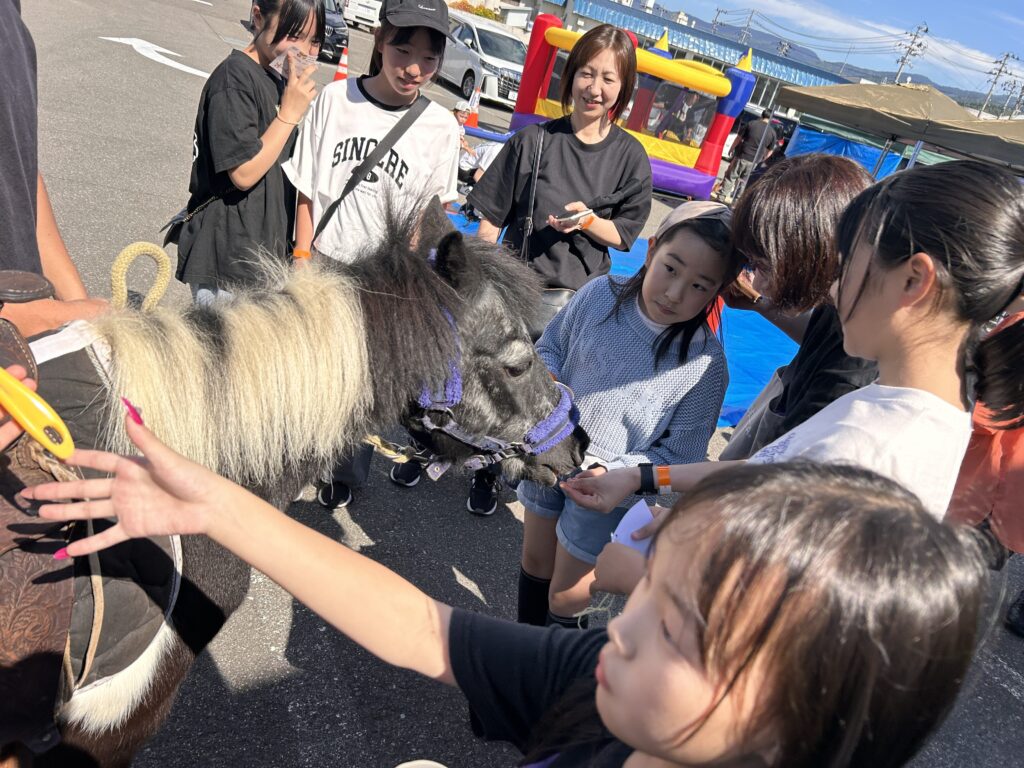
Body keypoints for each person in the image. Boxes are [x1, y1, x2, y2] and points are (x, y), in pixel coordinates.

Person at [26, 419, 989, 768]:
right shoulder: (606, 693)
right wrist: (217, 507)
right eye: (648, 593)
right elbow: (422, 627)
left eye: (678, 631)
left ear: (802, 721)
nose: (622, 629)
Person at [563, 160, 1024, 523]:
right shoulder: (891, 400)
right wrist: (641, 478)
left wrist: (669, 542)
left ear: (913, 280)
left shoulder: (866, 431)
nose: (835, 287)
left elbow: (774, 522)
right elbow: (768, 470)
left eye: (847, 263)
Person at [431, 24, 652, 514]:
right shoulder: (533, 141)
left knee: (549, 399)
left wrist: (589, 221)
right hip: (518, 295)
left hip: (581, 304)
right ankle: (475, 466)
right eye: (587, 73)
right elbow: (491, 217)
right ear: (571, 76)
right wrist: (475, 286)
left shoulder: (629, 157)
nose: (595, 88)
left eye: (609, 79)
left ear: (624, 89)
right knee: (494, 388)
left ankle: (538, 475)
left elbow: (626, 233)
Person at [515, 202, 738, 629]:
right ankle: (522, 652)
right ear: (651, 250)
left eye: (699, 286)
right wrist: (548, 379)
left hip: (608, 491)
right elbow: (552, 346)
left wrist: (614, 471)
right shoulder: (599, 294)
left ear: (717, 292)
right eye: (670, 269)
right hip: (545, 455)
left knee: (566, 597)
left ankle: (552, 666)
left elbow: (680, 456)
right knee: (535, 560)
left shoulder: (705, 365)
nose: (675, 293)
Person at [284, 0, 460, 509]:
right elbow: (307, 189)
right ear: (380, 41)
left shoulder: (440, 127)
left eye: (428, 58)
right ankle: (290, 462)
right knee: (309, 374)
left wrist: (412, 288)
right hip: (326, 265)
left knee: (363, 386)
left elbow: (429, 215)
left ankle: (342, 472)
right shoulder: (336, 99)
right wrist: (301, 257)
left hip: (385, 279)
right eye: (403, 50)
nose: (413, 68)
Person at [719, 155, 878, 461]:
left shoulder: (846, 383)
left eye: (764, 265)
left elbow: (772, 470)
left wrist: (650, 478)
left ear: (811, 254)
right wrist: (760, 305)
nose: (757, 282)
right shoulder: (845, 300)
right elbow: (819, 335)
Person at [174, 0, 323, 306]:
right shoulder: (234, 78)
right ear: (258, 17)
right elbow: (243, 172)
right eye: (294, 35)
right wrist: (289, 115)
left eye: (315, 41)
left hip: (262, 255)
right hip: (229, 260)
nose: (304, 51)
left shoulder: (277, 79)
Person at [1, 0, 106, 336]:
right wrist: (18, 313)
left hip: (22, 336)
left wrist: (80, 311)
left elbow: (19, 172)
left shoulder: (9, 15)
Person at [947, 292, 1024, 636]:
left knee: (952, 560)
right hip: (1002, 487)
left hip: (987, 488)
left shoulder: (1018, 327)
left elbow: (986, 416)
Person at [718, 109, 777, 202]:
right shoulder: (772, 132)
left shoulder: (751, 124)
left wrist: (732, 148)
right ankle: (736, 202)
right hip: (755, 161)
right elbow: (770, 150)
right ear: (771, 119)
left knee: (731, 177)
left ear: (762, 115)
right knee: (744, 182)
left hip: (742, 156)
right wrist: (763, 160)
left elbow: (738, 138)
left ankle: (721, 198)